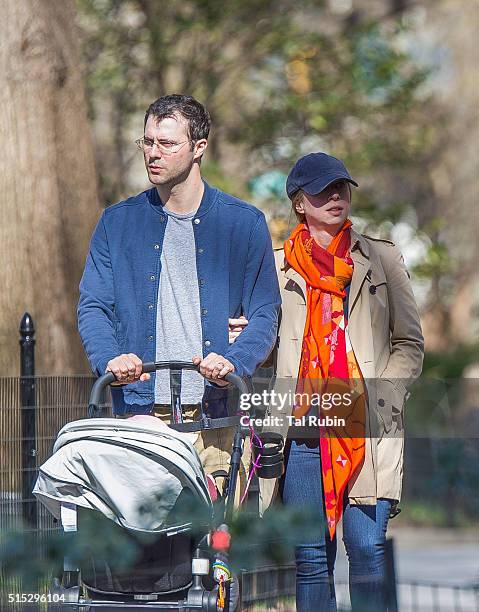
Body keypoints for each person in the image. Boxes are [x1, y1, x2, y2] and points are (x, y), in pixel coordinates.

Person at [230, 152, 424, 610]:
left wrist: (380, 399)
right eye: (322, 189)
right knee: (312, 558)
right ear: (299, 202)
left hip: (365, 428)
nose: (335, 195)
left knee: (368, 550)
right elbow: (270, 354)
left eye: (341, 186)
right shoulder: (274, 268)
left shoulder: (382, 258)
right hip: (299, 432)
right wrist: (250, 339)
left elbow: (409, 344)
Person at [78, 94, 281, 502]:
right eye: (147, 142)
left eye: (167, 143)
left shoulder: (243, 224)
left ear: (199, 147)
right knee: (147, 551)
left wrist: (235, 361)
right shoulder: (117, 223)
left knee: (215, 553)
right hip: (139, 414)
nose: (153, 153)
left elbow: (265, 314)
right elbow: (94, 306)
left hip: (218, 418)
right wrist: (109, 358)